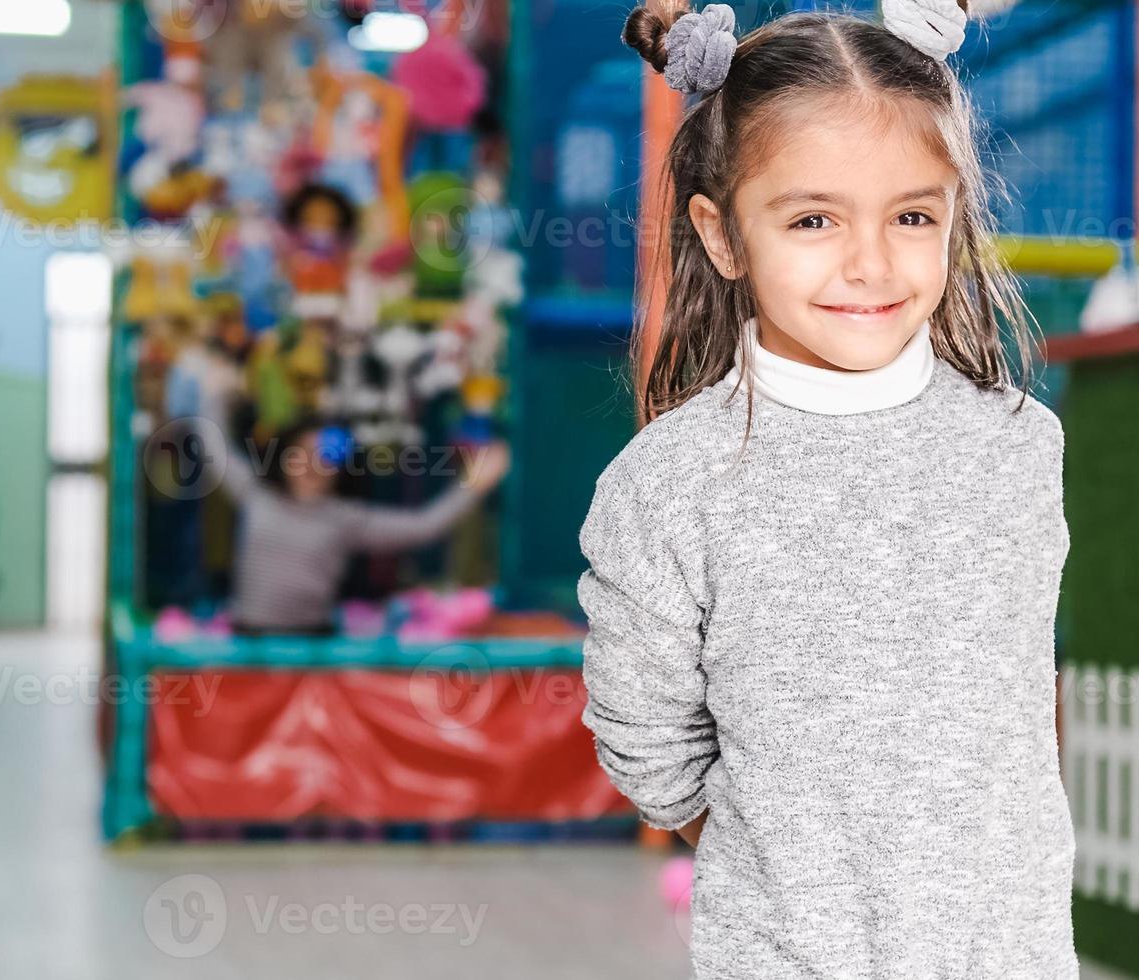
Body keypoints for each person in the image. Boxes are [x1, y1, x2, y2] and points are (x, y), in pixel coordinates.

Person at [576, 2, 1074, 977]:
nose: (869, 262)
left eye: (910, 215)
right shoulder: (668, 484)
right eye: (812, 217)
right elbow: (648, 744)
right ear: (722, 236)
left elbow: (1008, 704)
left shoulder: (1017, 445)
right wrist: (795, 870)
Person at [195, 358, 510, 635]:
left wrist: (474, 485)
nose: (310, 465)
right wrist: (217, 393)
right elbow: (213, 448)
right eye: (300, 454)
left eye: (323, 457)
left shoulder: (346, 519)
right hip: (248, 642)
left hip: (311, 648)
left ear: (339, 469)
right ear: (283, 459)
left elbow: (423, 525)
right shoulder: (256, 494)